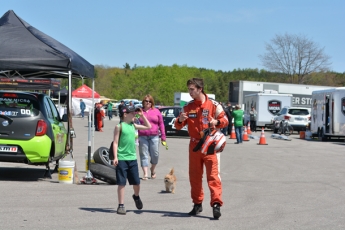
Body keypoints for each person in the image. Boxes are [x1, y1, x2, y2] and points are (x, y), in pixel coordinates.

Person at [174, 78, 228, 219]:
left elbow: (226, 121)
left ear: (200, 88)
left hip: (210, 145)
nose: (190, 92)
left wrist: (216, 122)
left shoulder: (214, 105)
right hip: (194, 146)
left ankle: (216, 204)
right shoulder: (187, 107)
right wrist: (180, 120)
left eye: (192, 89)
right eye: (189, 89)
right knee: (195, 177)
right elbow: (177, 126)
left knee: (213, 176)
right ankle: (197, 204)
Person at [112, 105, 152, 215]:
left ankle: (136, 196)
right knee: (121, 183)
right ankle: (121, 205)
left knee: (137, 183)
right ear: (125, 115)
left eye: (135, 112)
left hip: (132, 159)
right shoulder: (119, 126)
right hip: (122, 158)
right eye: (132, 113)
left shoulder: (133, 125)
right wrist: (115, 157)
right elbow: (115, 143)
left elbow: (148, 126)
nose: (134, 114)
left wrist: (142, 116)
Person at [138, 94, 166, 180]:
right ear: (143, 102)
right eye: (146, 101)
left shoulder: (156, 111)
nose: (148, 103)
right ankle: (145, 173)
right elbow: (134, 121)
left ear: (152, 102)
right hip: (143, 136)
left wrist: (163, 136)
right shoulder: (139, 111)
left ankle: (152, 169)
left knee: (155, 154)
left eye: (150, 101)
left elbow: (161, 124)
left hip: (154, 136)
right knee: (144, 154)